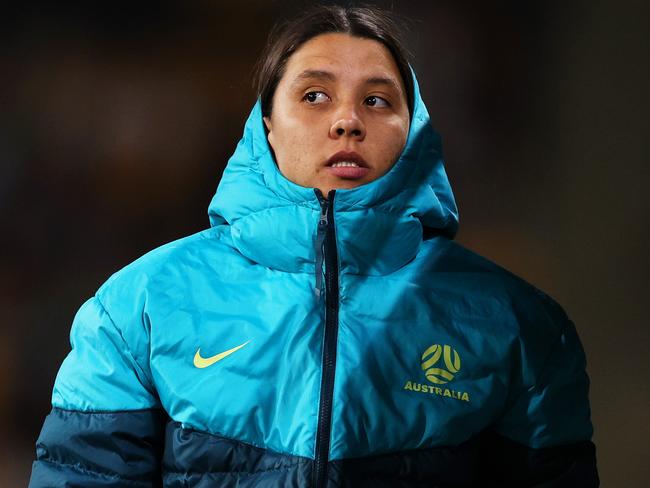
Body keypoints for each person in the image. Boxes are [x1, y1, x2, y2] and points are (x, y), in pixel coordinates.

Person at [29, 5, 598, 487]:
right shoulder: (137, 307)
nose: (348, 120)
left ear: (414, 131)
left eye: (377, 101)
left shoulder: (519, 327)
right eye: (315, 95)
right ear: (267, 124)